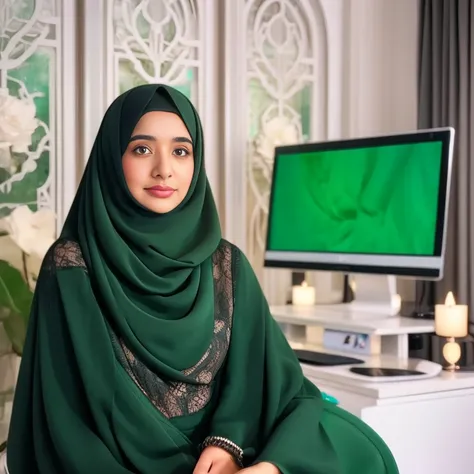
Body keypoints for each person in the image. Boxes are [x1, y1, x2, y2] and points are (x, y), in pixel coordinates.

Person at [4, 84, 343, 473]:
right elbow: (66, 420)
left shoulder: (226, 264)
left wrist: (231, 446)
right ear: (113, 159)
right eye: (142, 149)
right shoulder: (72, 267)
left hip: (225, 460)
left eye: (181, 151)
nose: (164, 168)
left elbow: (271, 385)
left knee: (353, 443)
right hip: (113, 463)